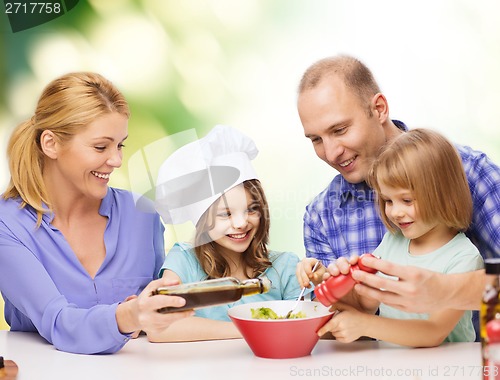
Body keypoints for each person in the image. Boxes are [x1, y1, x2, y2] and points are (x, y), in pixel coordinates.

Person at [0, 72, 192, 355]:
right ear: (50, 144)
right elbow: (57, 322)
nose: (116, 160)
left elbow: (159, 317)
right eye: (101, 146)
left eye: (120, 145)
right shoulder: (9, 225)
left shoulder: (142, 215)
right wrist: (129, 314)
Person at [296, 55, 500, 314]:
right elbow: (335, 323)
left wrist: (445, 289)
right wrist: (327, 288)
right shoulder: (321, 216)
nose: (331, 152)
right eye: (316, 139)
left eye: (340, 130)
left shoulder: (470, 172)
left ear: (379, 109)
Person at [314, 129, 484, 347]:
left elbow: (433, 332)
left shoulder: (463, 256)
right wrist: (335, 284)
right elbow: (365, 304)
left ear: (443, 193)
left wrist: (364, 325)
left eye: (406, 200)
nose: (395, 212)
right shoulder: (393, 241)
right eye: (388, 200)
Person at [148, 125, 305, 342]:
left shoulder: (285, 267)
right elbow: (160, 327)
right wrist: (252, 330)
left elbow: (306, 326)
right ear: (203, 220)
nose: (241, 223)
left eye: (252, 209)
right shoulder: (184, 261)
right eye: (226, 214)